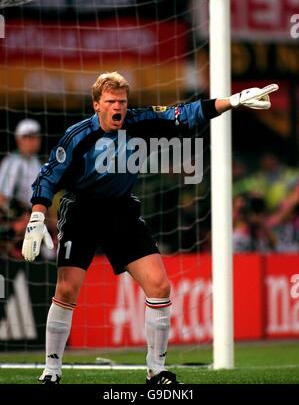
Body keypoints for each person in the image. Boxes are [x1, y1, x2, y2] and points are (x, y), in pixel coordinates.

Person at [21, 72, 278, 385]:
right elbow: (48, 177)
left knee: (159, 286)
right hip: (82, 212)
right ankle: (51, 371)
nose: (118, 107)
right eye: (111, 101)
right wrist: (37, 215)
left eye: (122, 101)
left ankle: (156, 371)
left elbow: (184, 114)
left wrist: (233, 102)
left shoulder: (138, 121)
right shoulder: (77, 136)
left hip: (121, 211)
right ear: (96, 105)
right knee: (66, 289)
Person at [0, 119, 42, 258]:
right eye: (27, 137)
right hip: (12, 218)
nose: (31, 141)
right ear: (18, 139)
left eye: (34, 136)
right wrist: (20, 219)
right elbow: (2, 198)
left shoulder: (37, 163)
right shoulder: (13, 161)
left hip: (31, 217)